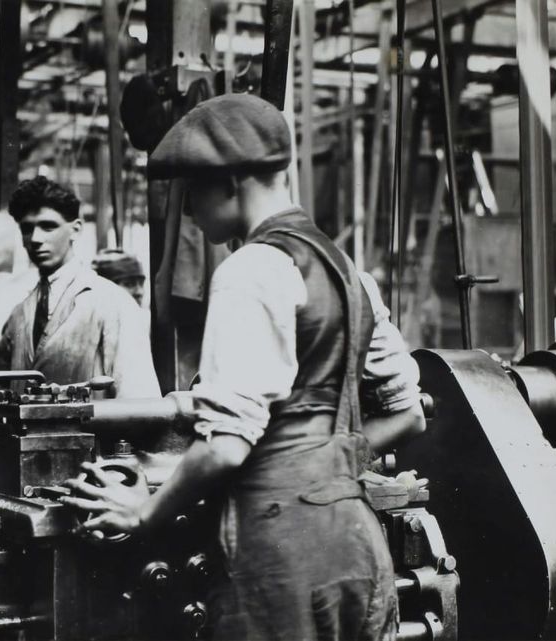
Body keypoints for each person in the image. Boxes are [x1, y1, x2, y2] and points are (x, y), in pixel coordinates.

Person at [61, 93, 424, 640]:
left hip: (282, 552)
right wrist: (323, 465)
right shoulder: (350, 273)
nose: (187, 212)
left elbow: (227, 444)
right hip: (356, 540)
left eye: (193, 191)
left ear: (230, 182)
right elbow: (409, 414)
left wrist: (143, 513)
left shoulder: (248, 269)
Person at [0, 176, 160, 398]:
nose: (36, 239)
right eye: (27, 229)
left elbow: (139, 400)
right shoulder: (19, 314)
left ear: (76, 230)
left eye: (48, 227)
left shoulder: (111, 303)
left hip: (97, 433)